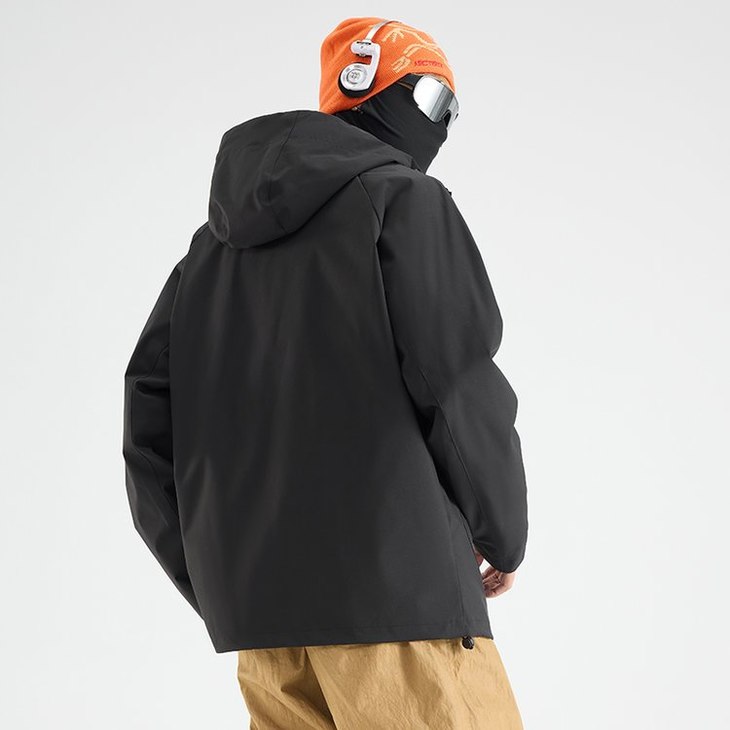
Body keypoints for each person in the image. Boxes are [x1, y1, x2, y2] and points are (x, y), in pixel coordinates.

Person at [122, 15, 529, 729]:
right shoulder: (404, 201)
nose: (444, 122)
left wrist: (220, 580)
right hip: (398, 607)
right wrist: (502, 533)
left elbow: (148, 426)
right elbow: (455, 378)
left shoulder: (208, 253)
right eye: (436, 98)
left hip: (266, 631)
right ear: (380, 92)